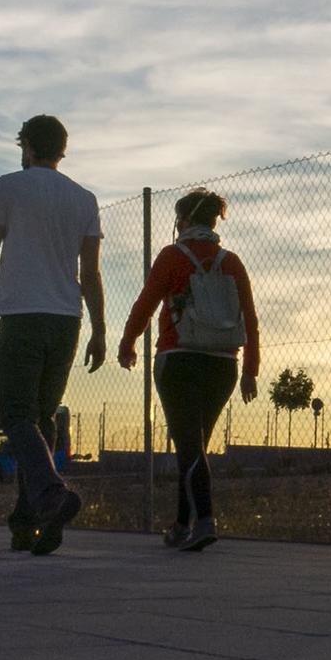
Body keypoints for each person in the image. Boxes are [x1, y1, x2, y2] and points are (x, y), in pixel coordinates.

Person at [0, 114, 105, 554]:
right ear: (62, 149)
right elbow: (90, 273)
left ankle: (52, 494)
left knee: (16, 414)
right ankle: (28, 521)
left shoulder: (8, 187)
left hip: (22, 315)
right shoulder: (84, 198)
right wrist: (99, 330)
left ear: (28, 146)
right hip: (66, 319)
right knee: (41, 419)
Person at [118, 188, 259, 551]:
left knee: (188, 445)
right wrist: (250, 370)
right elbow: (251, 319)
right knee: (194, 446)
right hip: (224, 364)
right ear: (213, 221)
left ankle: (206, 520)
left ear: (182, 220)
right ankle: (182, 524)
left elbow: (146, 302)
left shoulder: (171, 257)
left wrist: (128, 342)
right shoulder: (232, 262)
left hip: (178, 358)